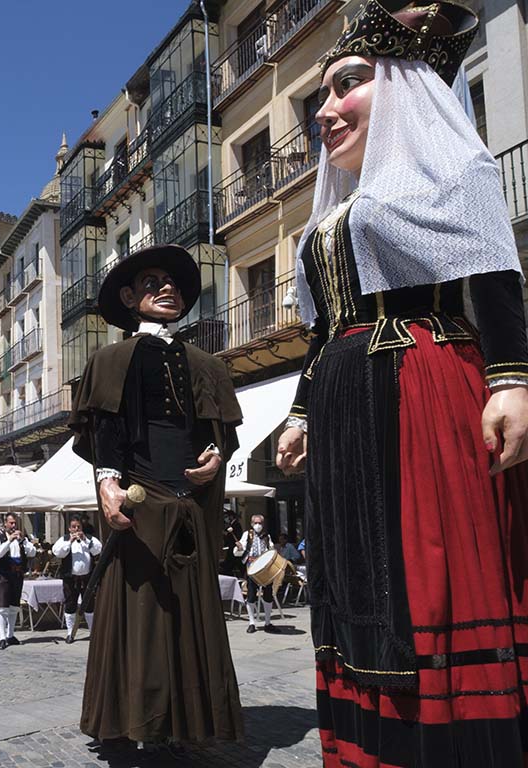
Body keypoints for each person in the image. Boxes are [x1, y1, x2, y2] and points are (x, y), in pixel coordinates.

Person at [273, 3, 528, 763]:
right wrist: (300, 412)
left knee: (423, 564)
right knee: (356, 573)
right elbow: (325, 327)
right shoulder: (336, 210)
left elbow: (495, 276)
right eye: (321, 95)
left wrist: (512, 381)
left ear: (402, 87)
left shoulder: (452, 171)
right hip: (345, 401)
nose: (325, 111)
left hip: (422, 385)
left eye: (346, 84)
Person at [69, 244, 244, 752]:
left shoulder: (206, 364)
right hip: (139, 505)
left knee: (190, 616)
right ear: (129, 298)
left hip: (189, 504)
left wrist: (215, 457)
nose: (167, 289)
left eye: (173, 285)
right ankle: (133, 721)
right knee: (142, 615)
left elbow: (220, 432)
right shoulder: (111, 360)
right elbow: (104, 430)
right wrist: (108, 485)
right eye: (153, 283)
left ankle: (189, 725)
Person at [49, 514, 102, 644]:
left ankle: (92, 633)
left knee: (89, 605)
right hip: (70, 578)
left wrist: (85, 540)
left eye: (78, 527)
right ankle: (70, 633)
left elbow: (98, 550)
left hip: (87, 578)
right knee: (70, 604)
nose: (76, 529)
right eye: (74, 527)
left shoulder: (89, 539)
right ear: (69, 528)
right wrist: (69, 542)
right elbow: (57, 552)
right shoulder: (64, 539)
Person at [0, 512, 36, 650]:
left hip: (17, 575)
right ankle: (2, 637)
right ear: (5, 523)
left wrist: (24, 541)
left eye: (15, 523)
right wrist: (9, 540)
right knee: (3, 607)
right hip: (4, 575)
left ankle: (10, 635)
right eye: (11, 523)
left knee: (14, 606)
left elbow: (32, 552)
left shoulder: (22, 539)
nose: (14, 525)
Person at [233, 515, 278, 634]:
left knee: (268, 595)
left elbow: (271, 549)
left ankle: (267, 623)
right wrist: (239, 548)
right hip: (252, 568)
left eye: (260, 523)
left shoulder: (267, 536)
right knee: (251, 596)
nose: (258, 525)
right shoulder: (247, 535)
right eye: (256, 523)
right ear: (252, 523)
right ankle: (251, 623)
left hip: (265, 568)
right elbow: (239, 552)